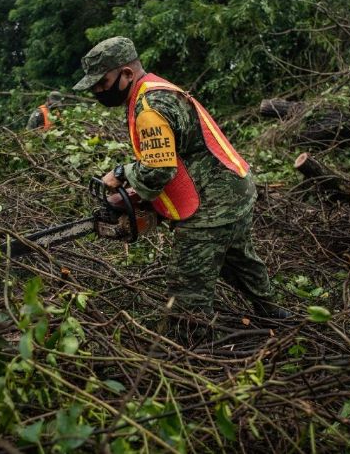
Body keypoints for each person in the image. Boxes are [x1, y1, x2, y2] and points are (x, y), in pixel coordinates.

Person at [72, 36, 281, 329]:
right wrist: (139, 193)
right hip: (235, 188)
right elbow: (175, 157)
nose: (98, 90)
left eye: (103, 82)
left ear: (127, 74)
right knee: (240, 260)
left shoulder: (150, 107)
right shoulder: (157, 89)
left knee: (187, 290)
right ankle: (274, 314)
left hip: (212, 202)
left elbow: (158, 170)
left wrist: (122, 174)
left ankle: (192, 352)